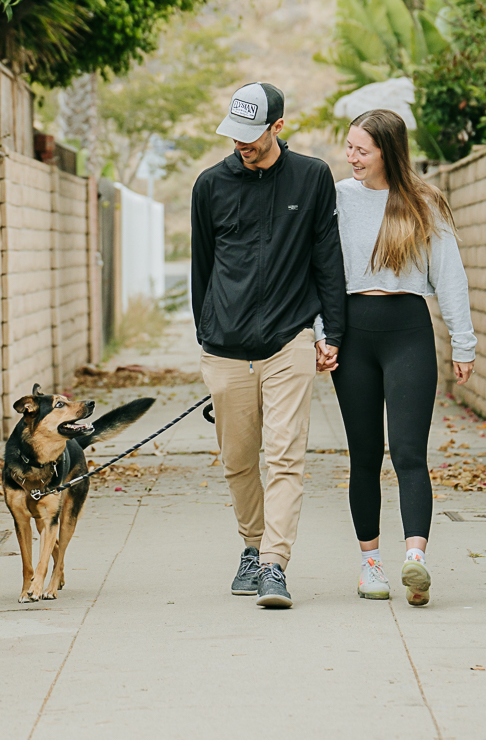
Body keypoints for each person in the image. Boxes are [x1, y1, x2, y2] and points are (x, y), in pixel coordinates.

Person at [191, 82, 346, 608]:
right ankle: (252, 546)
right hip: (226, 348)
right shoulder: (210, 186)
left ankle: (275, 565)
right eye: (235, 134)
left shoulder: (313, 176)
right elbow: (202, 270)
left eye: (252, 134)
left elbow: (327, 259)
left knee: (284, 457)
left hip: (289, 340)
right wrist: (207, 340)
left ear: (278, 126)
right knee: (238, 460)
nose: (242, 144)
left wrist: (334, 333)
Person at [315, 109, 476, 607]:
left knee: (409, 453)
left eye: (362, 149)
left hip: (408, 332)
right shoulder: (337, 199)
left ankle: (415, 561)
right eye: (349, 147)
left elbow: (450, 275)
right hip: (353, 336)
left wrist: (463, 343)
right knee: (364, 456)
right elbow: (319, 273)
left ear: (388, 150)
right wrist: (324, 334)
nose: (351, 157)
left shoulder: (423, 203)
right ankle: (370, 564)